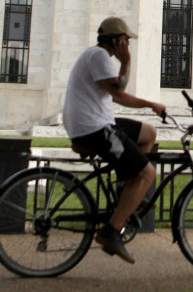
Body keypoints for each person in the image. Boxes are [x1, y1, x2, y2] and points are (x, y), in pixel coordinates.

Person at [62, 16, 166, 264]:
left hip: (100, 123)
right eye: (126, 41)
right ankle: (111, 231)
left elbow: (118, 97)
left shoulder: (99, 59)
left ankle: (126, 191)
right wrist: (126, 62)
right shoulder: (98, 56)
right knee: (147, 174)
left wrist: (151, 105)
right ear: (116, 41)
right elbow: (119, 89)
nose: (128, 45)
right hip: (94, 129)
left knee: (148, 134)